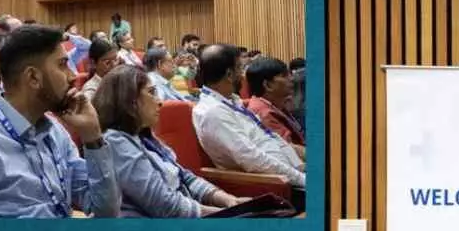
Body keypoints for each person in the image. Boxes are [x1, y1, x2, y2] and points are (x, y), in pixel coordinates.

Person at [0, 25, 119, 218]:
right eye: (62, 65)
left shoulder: (55, 131)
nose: (73, 76)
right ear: (33, 77)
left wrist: (92, 135)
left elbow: (106, 213)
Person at [95, 65, 243, 217]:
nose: (160, 101)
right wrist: (226, 214)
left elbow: (185, 177)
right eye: (151, 92)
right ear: (130, 101)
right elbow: (165, 206)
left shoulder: (143, 136)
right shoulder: (115, 142)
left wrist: (229, 200)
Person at [193, 44, 305, 210]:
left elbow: (268, 138)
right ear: (229, 74)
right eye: (240, 68)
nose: (243, 74)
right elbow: (253, 159)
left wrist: (302, 167)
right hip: (272, 184)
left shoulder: (231, 101)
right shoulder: (212, 112)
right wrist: (302, 178)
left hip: (290, 172)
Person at [245, 55, 306, 147]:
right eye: (284, 76)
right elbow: (291, 150)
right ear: (268, 85)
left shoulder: (275, 103)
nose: (292, 79)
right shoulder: (264, 114)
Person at [79, 37, 120, 101]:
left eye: (115, 60)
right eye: (107, 62)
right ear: (93, 63)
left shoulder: (119, 81)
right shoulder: (91, 90)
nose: (114, 65)